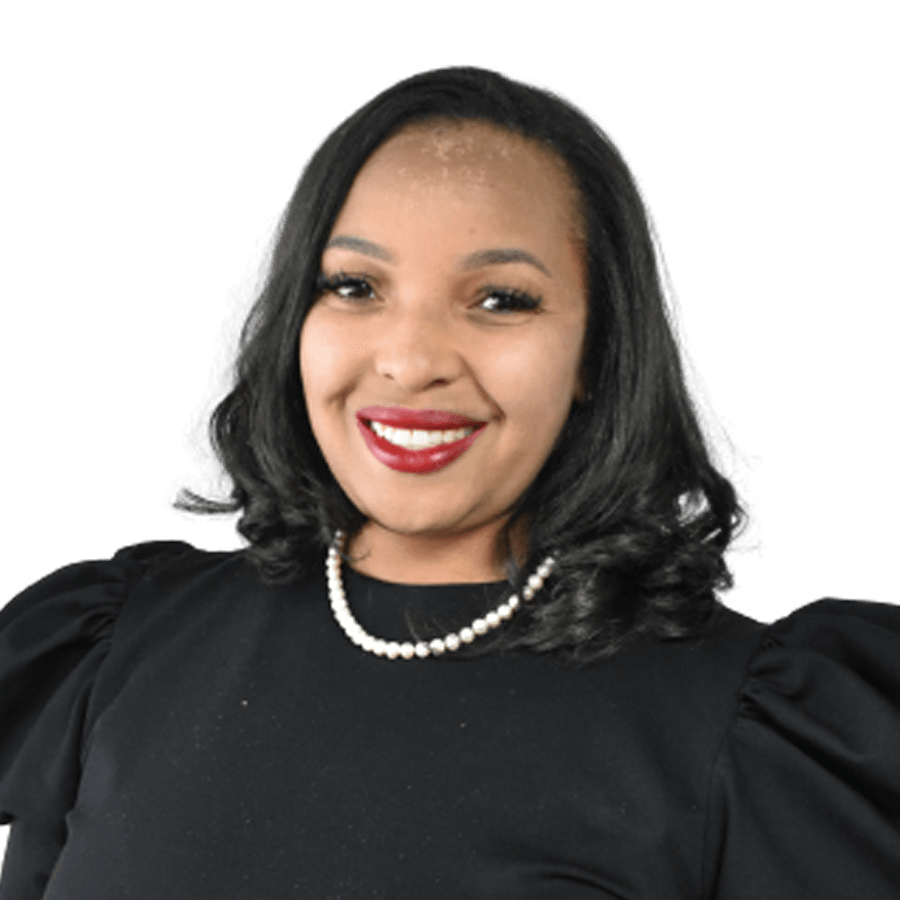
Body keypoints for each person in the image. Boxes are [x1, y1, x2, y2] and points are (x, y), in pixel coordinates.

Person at [0, 64, 897, 899]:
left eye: (501, 299)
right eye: (354, 286)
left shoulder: (755, 734)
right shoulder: (112, 645)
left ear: (598, 353)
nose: (411, 361)